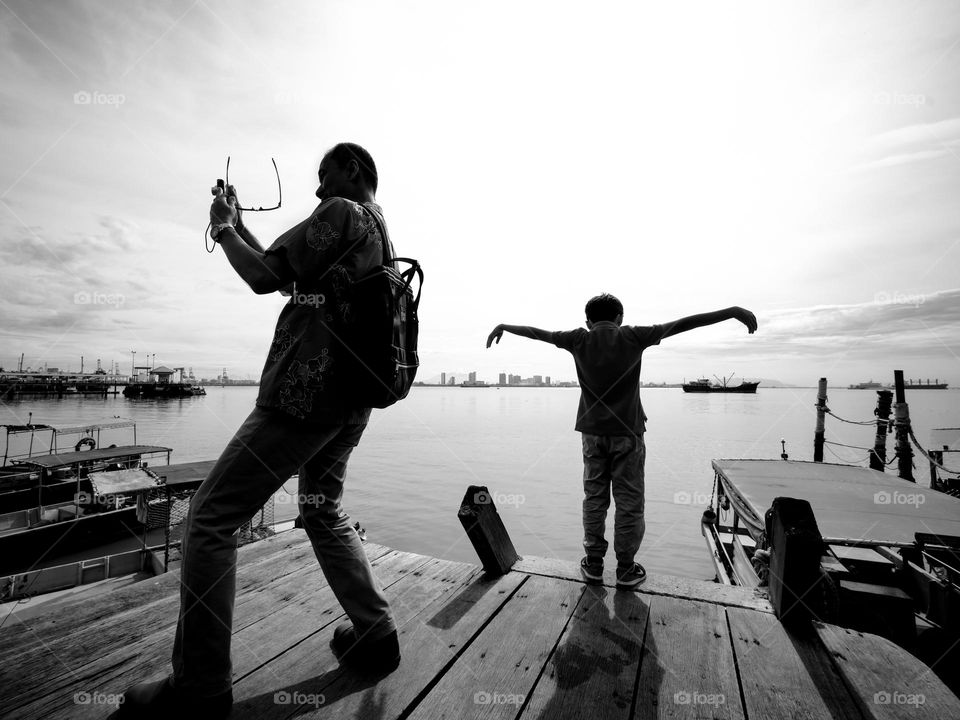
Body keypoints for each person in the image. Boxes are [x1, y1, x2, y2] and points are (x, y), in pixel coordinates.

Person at [119, 143, 400, 718]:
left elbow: (263, 276)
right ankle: (376, 633)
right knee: (322, 509)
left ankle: (199, 690)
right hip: (352, 400)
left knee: (209, 517)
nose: (318, 190)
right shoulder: (379, 233)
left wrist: (223, 231)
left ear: (353, 169)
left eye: (325, 177)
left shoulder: (341, 213)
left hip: (306, 391)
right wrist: (240, 223)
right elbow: (284, 267)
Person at [486, 295, 757, 589]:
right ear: (620, 318)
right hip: (628, 434)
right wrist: (731, 311)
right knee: (629, 502)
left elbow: (539, 334)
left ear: (588, 322)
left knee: (594, 499)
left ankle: (593, 563)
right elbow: (683, 324)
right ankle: (626, 569)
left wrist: (505, 326)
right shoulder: (633, 336)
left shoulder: (579, 339)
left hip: (592, 436)